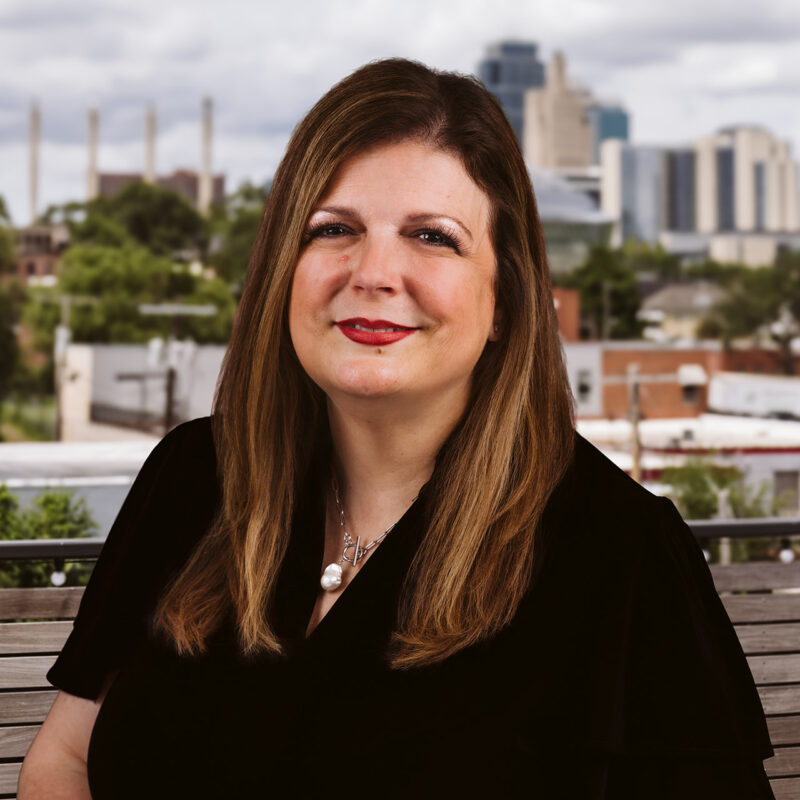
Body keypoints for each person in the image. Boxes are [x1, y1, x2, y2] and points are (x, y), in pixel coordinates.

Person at [19, 59, 774, 800]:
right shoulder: (192, 476)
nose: (374, 272)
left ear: (505, 301)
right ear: (284, 267)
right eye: (334, 228)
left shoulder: (624, 555)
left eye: (433, 237)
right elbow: (66, 754)